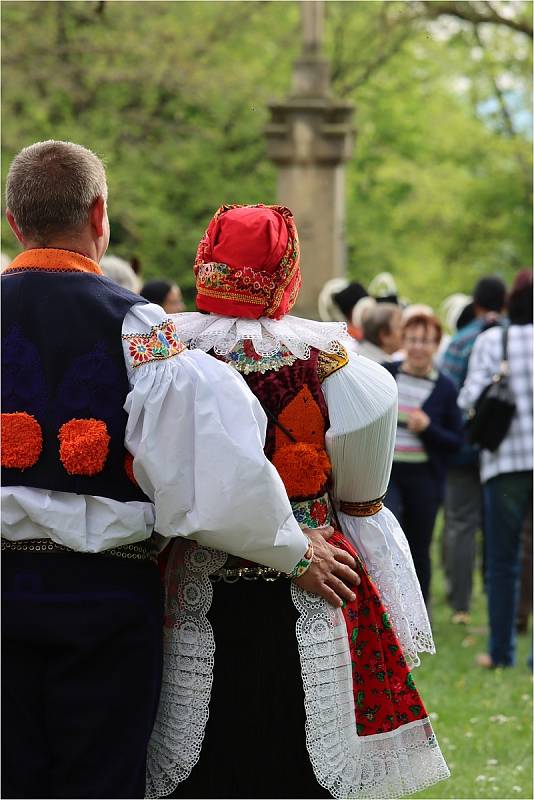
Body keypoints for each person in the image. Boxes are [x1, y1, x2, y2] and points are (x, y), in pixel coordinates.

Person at [1, 142, 359, 799]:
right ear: (100, 215)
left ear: (12, 220)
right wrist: (292, 548)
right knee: (98, 779)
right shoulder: (138, 327)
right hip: (101, 594)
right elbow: (208, 466)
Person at [162, 204, 449, 800]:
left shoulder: (165, 355)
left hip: (194, 580)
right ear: (289, 267)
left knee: (203, 761)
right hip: (312, 582)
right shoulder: (338, 365)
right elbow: (362, 499)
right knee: (297, 761)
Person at [459, 270, 533, 668]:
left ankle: (502, 652)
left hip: (504, 462)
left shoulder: (493, 340)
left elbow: (468, 398)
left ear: (509, 303)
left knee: (503, 561)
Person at [383, 312, 463, 605]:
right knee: (390, 541)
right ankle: (390, 610)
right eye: (413, 339)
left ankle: (420, 612)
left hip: (424, 479)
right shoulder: (386, 374)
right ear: (403, 341)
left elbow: (456, 442)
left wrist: (428, 429)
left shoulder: (445, 388)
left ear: (436, 346)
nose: (418, 347)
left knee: (419, 545)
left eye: (425, 341)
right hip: (386, 475)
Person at [440, 277, 506, 623]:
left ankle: (461, 604)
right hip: (506, 447)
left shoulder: (461, 341)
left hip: (464, 445)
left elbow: (448, 395)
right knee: (503, 524)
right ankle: (504, 602)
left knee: (461, 523)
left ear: (475, 304)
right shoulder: (515, 337)